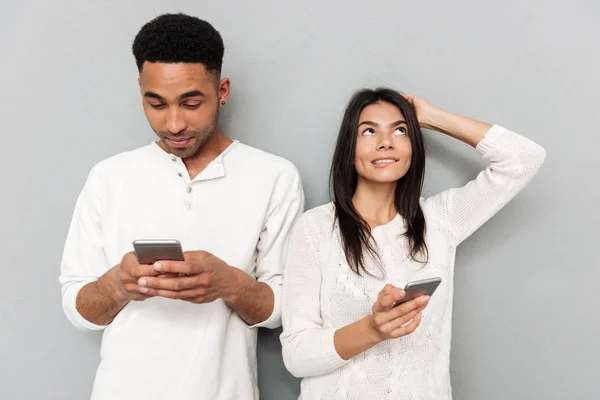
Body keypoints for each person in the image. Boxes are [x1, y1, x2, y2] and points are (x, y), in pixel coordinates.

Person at [59, 13, 304, 400]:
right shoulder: (109, 177)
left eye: (191, 103)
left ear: (222, 90)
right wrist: (118, 284)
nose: (173, 124)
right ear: (140, 88)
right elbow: (79, 311)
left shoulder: (274, 176)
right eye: (155, 103)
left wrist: (228, 282)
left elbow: (281, 310)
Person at [280, 88, 545, 399]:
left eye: (400, 130)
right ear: (348, 147)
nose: (385, 142)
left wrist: (432, 119)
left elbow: (524, 159)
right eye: (368, 131)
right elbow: (296, 355)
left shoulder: (441, 220)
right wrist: (373, 329)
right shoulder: (316, 228)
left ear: (413, 145)